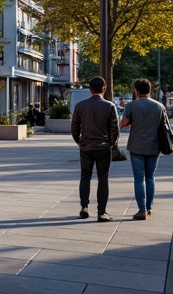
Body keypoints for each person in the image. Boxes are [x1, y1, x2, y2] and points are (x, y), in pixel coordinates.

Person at [71, 75, 119, 221]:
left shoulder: (80, 106)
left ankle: (84, 207)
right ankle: (101, 212)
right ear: (104, 88)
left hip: (86, 147)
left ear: (90, 89)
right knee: (103, 178)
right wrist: (110, 143)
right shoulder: (109, 106)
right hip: (103, 147)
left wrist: (79, 141)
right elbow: (114, 129)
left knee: (85, 176)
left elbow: (74, 127)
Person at [120, 78, 167, 220]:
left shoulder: (131, 106)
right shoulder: (160, 106)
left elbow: (123, 123)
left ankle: (141, 210)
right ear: (149, 90)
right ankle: (149, 207)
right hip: (154, 146)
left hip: (136, 146)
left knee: (139, 178)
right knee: (150, 177)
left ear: (136, 90)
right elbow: (164, 126)